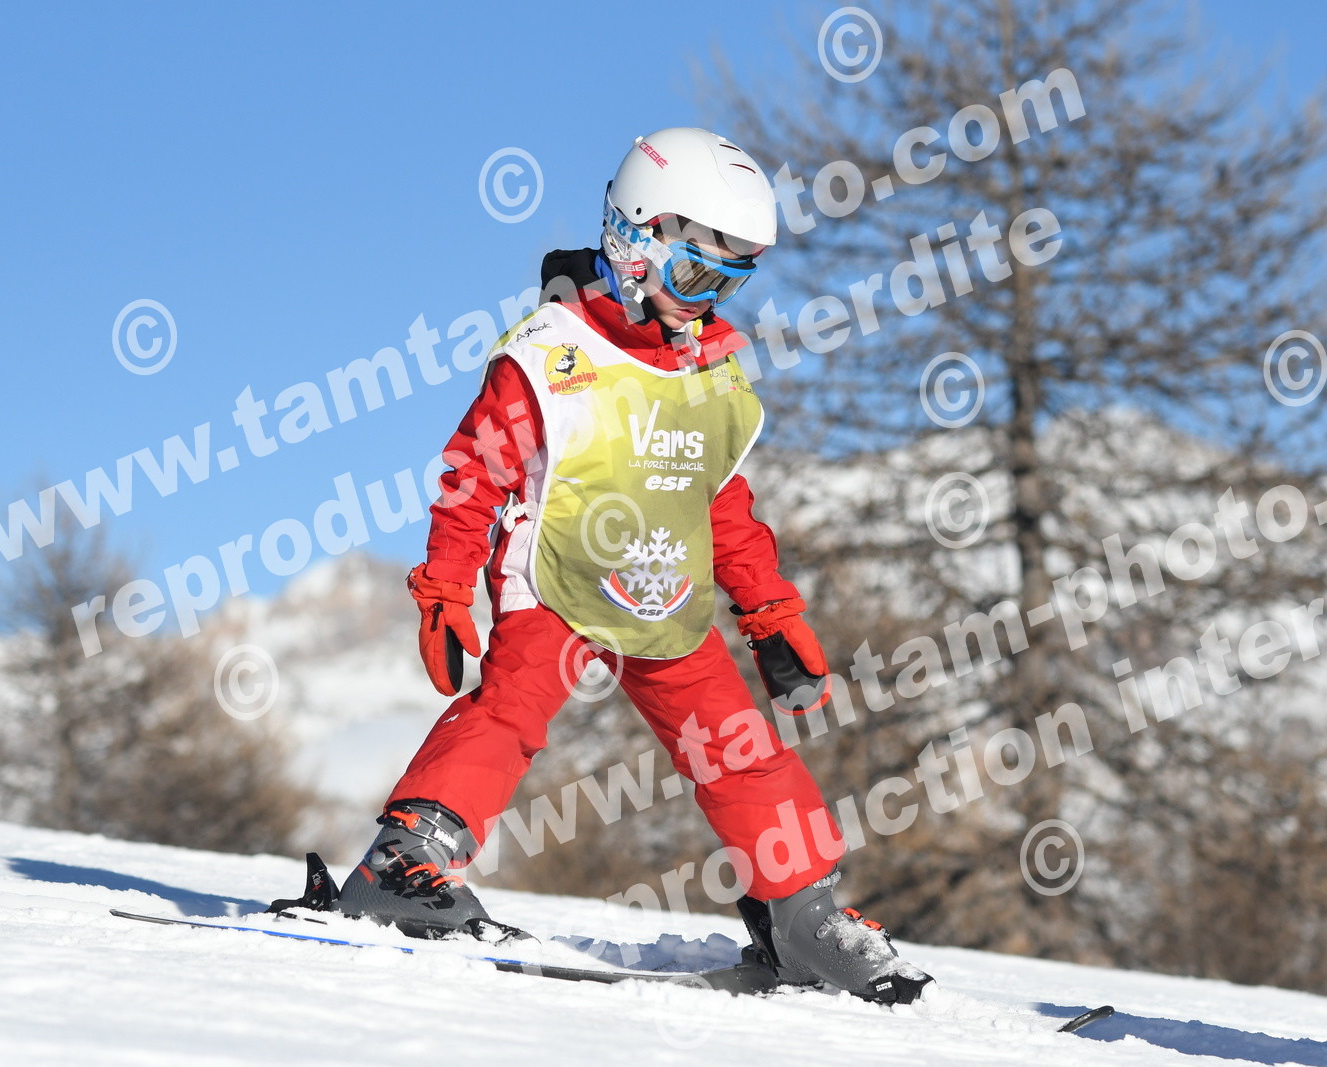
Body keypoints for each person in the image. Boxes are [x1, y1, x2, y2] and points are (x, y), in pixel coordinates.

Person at [336, 127, 930, 1004]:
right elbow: (474, 474)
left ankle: (801, 913)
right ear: (633, 239)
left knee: (741, 748)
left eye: (728, 284)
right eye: (694, 277)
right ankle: (404, 858)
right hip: (555, 579)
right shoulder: (551, 351)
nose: (704, 304)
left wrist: (768, 612)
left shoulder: (712, 368)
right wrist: (446, 583)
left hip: (664, 591)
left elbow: (719, 502)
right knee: (508, 709)